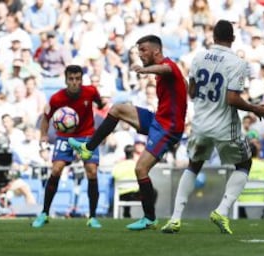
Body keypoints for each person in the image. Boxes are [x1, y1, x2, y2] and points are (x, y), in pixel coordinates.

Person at [68, 35, 187, 230]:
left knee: (140, 169)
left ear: (156, 51)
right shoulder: (168, 73)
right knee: (117, 109)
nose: (140, 55)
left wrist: (144, 70)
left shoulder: (168, 65)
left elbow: (166, 70)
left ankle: (149, 218)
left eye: (143, 50)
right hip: (159, 120)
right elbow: (182, 84)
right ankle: (88, 148)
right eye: (138, 50)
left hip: (168, 128)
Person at [160, 20, 264, 234]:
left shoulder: (198, 57)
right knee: (244, 164)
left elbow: (191, 91)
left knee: (193, 165)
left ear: (213, 37)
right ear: (233, 38)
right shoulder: (237, 62)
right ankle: (222, 209)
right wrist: (254, 108)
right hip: (224, 126)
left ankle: (175, 218)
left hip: (201, 124)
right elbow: (232, 99)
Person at [31, 65, 104, 228]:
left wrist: (100, 105)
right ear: (66, 80)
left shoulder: (90, 91)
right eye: (71, 79)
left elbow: (99, 104)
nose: (74, 82)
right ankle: (44, 213)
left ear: (81, 80)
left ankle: (92, 217)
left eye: (78, 79)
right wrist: (43, 134)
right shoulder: (57, 98)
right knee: (56, 169)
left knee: (92, 171)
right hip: (65, 137)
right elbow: (46, 118)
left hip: (87, 136)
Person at [112, 144, 157, 218]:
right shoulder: (137, 165)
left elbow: (114, 175)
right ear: (133, 153)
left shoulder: (118, 165)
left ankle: (126, 213)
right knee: (152, 191)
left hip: (121, 194)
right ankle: (150, 213)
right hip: (136, 195)